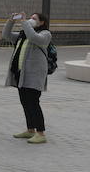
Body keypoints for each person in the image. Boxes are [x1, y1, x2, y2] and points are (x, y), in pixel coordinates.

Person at [3, 11, 53, 144]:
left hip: (34, 75)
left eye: (34, 19)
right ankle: (30, 130)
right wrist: (11, 21)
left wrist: (25, 22)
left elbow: (33, 37)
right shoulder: (22, 34)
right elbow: (6, 35)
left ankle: (41, 133)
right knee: (25, 103)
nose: (31, 20)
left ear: (42, 22)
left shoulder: (45, 34)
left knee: (33, 103)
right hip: (22, 74)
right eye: (30, 18)